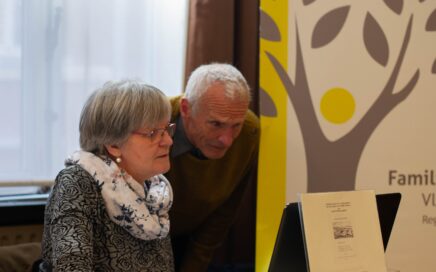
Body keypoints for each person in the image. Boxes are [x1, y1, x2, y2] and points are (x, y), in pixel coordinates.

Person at [39, 80, 176, 271]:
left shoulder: (154, 190)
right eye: (153, 133)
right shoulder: (78, 181)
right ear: (113, 144)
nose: (168, 141)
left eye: (167, 129)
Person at [165, 63, 260, 271]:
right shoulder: (154, 122)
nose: (227, 140)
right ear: (186, 108)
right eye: (216, 124)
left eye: (236, 125)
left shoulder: (249, 133)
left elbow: (223, 215)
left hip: (192, 242)